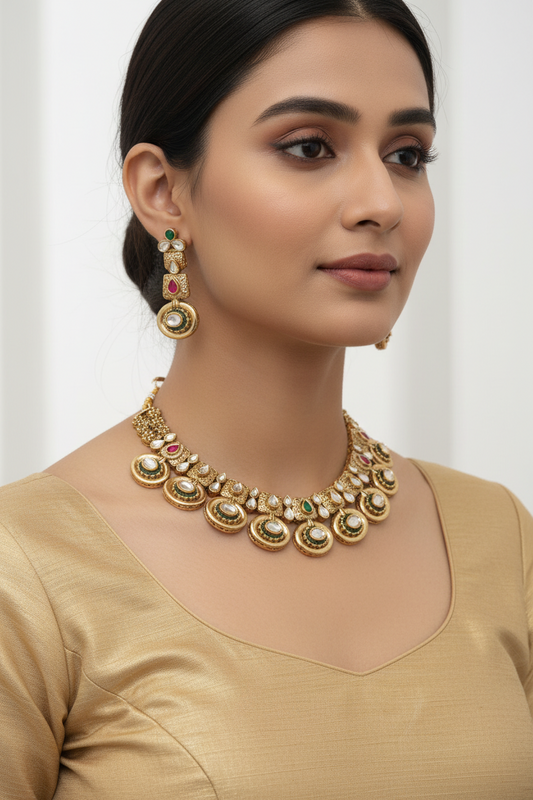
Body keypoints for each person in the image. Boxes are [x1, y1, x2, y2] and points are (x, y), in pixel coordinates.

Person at [1, 0, 532, 797]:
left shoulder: (499, 538)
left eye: (406, 155)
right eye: (309, 147)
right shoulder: (30, 569)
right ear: (163, 192)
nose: (381, 203)